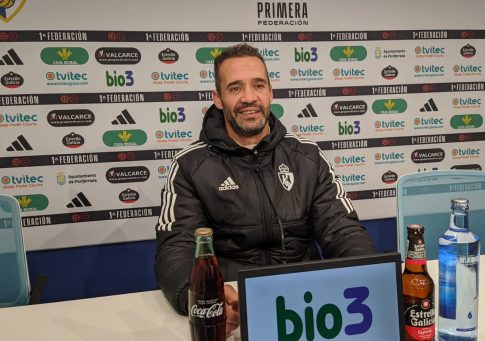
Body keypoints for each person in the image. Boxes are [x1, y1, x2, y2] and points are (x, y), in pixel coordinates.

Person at [155, 43, 377, 334]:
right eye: (235, 88)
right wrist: (203, 299)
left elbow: (342, 230)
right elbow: (177, 248)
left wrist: (373, 278)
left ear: (270, 92)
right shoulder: (189, 167)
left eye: (258, 85)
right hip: (233, 313)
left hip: (309, 310)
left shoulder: (307, 158)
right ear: (218, 99)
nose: (249, 98)